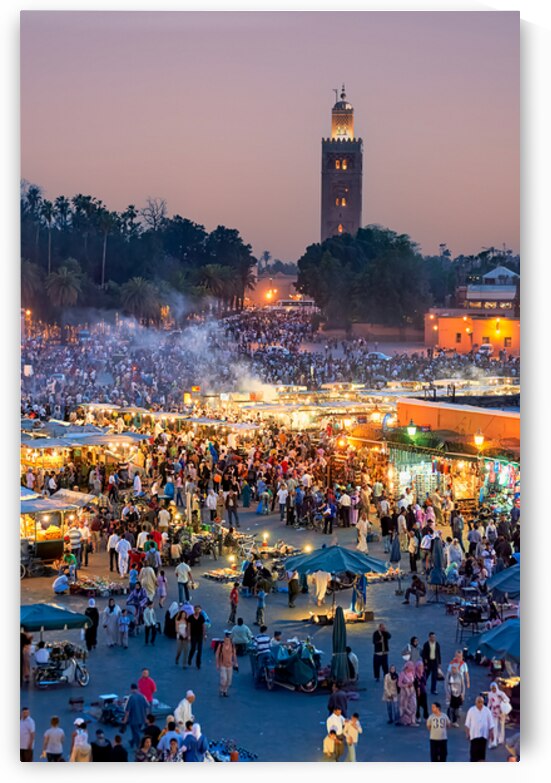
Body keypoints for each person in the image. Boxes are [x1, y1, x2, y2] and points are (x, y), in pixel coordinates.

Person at [465, 695, 496, 762]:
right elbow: (467, 724)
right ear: (475, 702)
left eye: (481, 702)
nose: (480, 703)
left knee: (482, 755)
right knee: (473, 754)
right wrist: (467, 733)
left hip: (483, 736)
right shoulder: (471, 710)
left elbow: (491, 723)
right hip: (474, 736)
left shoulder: (487, 710)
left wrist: (492, 734)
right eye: (478, 702)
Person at [123, 683, 149, 749]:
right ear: (137, 689)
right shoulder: (142, 696)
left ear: (131, 689)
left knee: (136, 733)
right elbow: (146, 707)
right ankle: (132, 742)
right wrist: (146, 718)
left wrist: (125, 720)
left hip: (133, 719)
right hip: (142, 718)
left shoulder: (130, 698)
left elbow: (127, 711)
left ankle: (139, 747)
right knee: (137, 731)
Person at [487, 681, 511, 747]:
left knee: (501, 725)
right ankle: (494, 740)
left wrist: (503, 699)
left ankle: (501, 739)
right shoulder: (490, 694)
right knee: (494, 726)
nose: (493, 689)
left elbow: (508, 699)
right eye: (492, 688)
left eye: (494, 688)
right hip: (494, 711)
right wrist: (487, 709)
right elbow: (489, 703)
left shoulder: (501, 693)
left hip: (501, 711)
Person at [216, 630, 237, 697]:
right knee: (224, 679)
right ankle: (221, 689)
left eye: (228, 639)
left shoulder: (232, 646)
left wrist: (236, 663)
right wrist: (217, 663)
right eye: (226, 639)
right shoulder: (221, 645)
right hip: (223, 664)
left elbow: (234, 655)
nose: (227, 641)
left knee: (229, 680)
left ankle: (225, 690)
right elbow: (217, 654)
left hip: (230, 665)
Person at [398, 661, 418, 726]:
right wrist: (406, 685)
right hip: (405, 693)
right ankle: (406, 720)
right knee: (405, 706)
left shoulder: (412, 672)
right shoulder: (402, 674)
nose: (412, 668)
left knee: (413, 705)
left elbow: (413, 680)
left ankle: (413, 720)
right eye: (411, 667)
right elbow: (399, 684)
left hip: (412, 691)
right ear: (407, 667)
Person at [188, 604, 207, 669]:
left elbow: (203, 626)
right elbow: (189, 627)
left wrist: (204, 635)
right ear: (194, 610)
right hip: (193, 635)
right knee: (193, 648)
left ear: (200, 610)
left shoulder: (201, 617)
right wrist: (189, 635)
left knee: (200, 649)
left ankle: (198, 663)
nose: (197, 611)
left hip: (200, 635)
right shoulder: (190, 617)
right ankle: (190, 658)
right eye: (196, 609)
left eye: (198, 609)